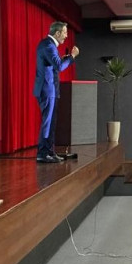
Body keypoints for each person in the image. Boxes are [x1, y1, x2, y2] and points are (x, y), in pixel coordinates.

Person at [33, 21, 78, 163]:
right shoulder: (48, 45)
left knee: (51, 123)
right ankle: (42, 153)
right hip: (47, 90)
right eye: (64, 32)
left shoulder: (49, 45)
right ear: (57, 33)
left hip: (50, 89)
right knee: (47, 122)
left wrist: (64, 59)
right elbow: (59, 66)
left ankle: (49, 152)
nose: (66, 36)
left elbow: (54, 64)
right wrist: (72, 57)